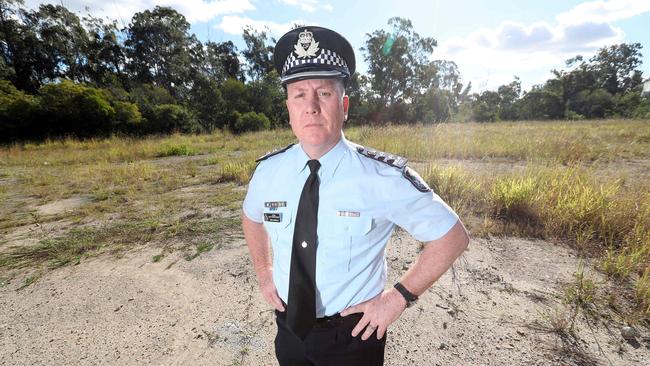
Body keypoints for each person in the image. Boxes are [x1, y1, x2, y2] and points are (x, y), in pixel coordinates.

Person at [241, 26, 469, 366]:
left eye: (325, 94)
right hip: (288, 328)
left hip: (352, 338)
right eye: (299, 95)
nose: (312, 107)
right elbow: (251, 216)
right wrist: (264, 271)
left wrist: (397, 298)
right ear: (288, 107)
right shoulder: (269, 171)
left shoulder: (381, 176)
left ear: (344, 105)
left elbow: (452, 237)